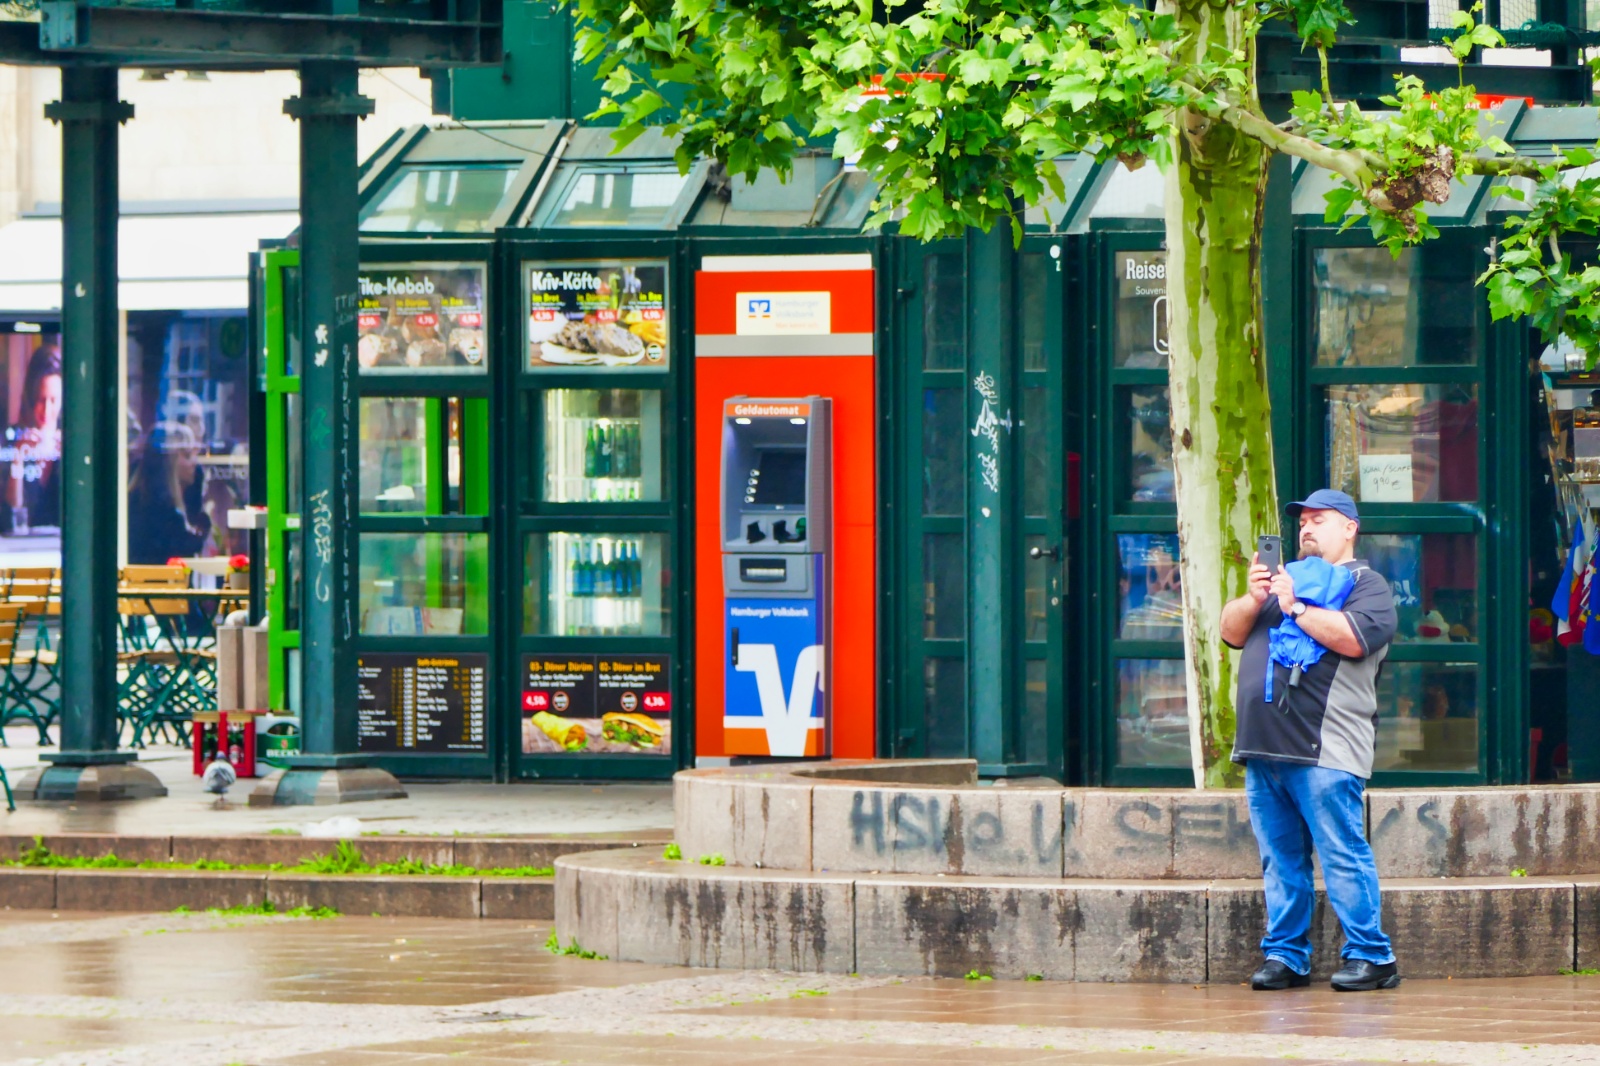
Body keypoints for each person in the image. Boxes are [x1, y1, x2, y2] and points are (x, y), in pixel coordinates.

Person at [1220, 488, 1401, 993]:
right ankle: (1287, 957)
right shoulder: (1280, 583)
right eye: (1302, 521)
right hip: (1263, 747)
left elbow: (1353, 638)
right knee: (1280, 860)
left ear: (1350, 528)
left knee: (1342, 852)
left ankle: (1373, 957)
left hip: (1327, 747)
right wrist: (1254, 598)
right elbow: (1230, 632)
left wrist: (1293, 606)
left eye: (1320, 519)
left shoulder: (1369, 585)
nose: (1306, 528)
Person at [127, 422, 212, 564]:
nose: (194, 463)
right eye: (187, 455)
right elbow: (180, 549)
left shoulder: (179, 503)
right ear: (169, 461)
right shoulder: (157, 509)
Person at [1, 341, 63, 534]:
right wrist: (18, 459)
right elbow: (12, 511)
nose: (47, 410)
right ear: (30, 397)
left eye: (53, 401)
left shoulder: (74, 442)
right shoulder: (12, 441)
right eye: (41, 400)